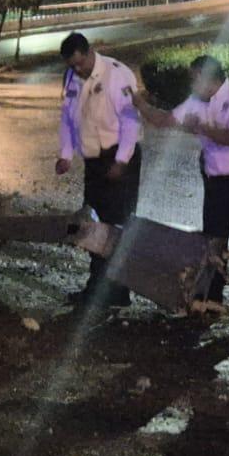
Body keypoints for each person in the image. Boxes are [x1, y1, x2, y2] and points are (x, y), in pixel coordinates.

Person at [133, 55, 229, 317]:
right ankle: (213, 300)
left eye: (195, 78)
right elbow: (165, 120)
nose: (192, 84)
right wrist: (139, 103)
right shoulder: (196, 102)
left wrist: (200, 126)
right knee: (213, 244)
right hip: (216, 185)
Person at [56, 32, 142, 309]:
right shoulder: (71, 77)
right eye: (72, 66)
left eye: (80, 64)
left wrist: (121, 161)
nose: (77, 70)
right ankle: (101, 289)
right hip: (94, 162)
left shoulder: (117, 75)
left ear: (90, 52)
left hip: (118, 159)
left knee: (117, 225)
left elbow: (131, 123)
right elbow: (67, 120)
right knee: (93, 223)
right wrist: (66, 155)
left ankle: (113, 291)